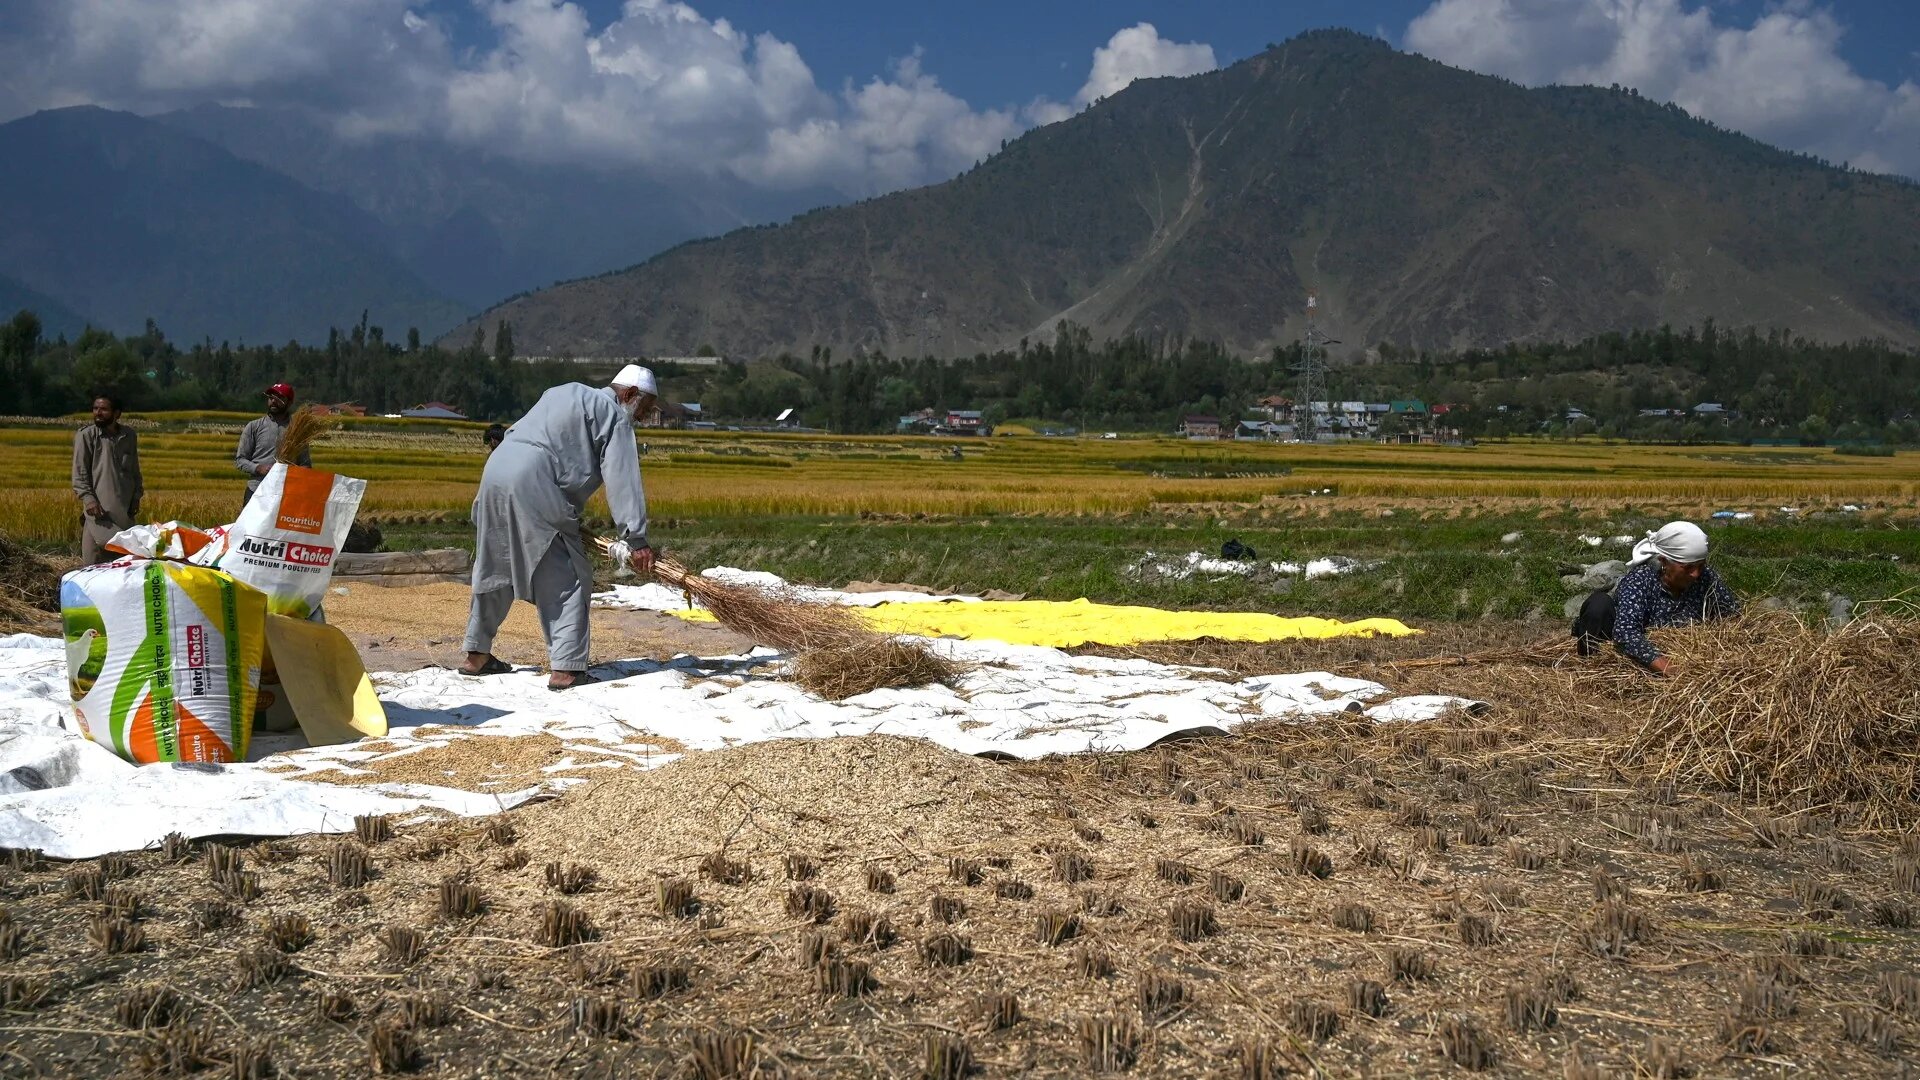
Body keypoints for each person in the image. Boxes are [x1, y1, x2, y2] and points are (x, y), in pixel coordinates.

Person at [462, 366, 658, 690]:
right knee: (565, 576)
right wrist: (636, 538)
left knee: (496, 567)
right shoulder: (614, 415)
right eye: (646, 408)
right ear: (629, 395)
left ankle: (476, 654)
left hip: (496, 471)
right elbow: (622, 477)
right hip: (534, 481)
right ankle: (567, 669)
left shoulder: (563, 392)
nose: (645, 417)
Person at [1572, 521, 1740, 673]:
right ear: (1664, 562)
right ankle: (1590, 667)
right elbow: (1626, 633)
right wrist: (1668, 669)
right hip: (1641, 652)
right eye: (1687, 568)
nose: (1696, 574)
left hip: (1682, 651)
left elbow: (1733, 617)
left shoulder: (1706, 578)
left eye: (1701, 566)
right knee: (1598, 605)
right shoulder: (1641, 580)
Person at [70, 393, 143, 564]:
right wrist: (89, 500)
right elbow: (79, 473)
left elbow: (134, 470)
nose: (98, 413)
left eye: (104, 409)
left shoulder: (128, 436)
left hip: (124, 511)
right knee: (95, 559)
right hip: (99, 511)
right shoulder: (87, 436)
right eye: (95, 409)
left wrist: (136, 497)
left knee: (123, 561)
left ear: (117, 413)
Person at [235, 382, 310, 511]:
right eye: (271, 398)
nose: (273, 402)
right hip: (256, 490)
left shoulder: (297, 430)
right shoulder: (254, 427)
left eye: (279, 398)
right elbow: (240, 460)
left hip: (286, 494)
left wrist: (292, 474)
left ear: (289, 402)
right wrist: (258, 468)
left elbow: (305, 465)